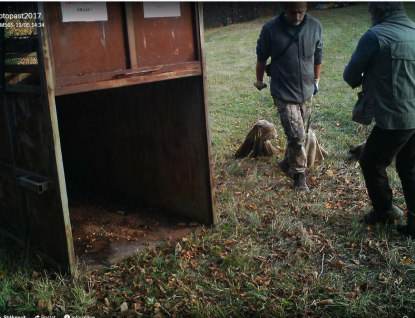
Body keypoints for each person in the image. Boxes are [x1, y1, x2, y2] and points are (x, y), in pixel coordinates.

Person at [343, 2, 415, 238]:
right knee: (409, 165)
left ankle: (385, 211)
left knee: (372, 162)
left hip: (397, 116)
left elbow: (351, 75)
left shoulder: (375, 36)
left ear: (378, 11)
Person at [254, 2, 323, 191]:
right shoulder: (270, 29)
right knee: (297, 134)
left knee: (301, 132)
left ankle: (286, 163)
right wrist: (259, 80)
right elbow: (261, 58)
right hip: (283, 91)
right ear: (284, 8)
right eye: (293, 12)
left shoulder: (315, 26)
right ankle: (299, 176)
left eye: (301, 12)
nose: (298, 16)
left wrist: (316, 80)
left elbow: (318, 54)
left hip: (307, 90)